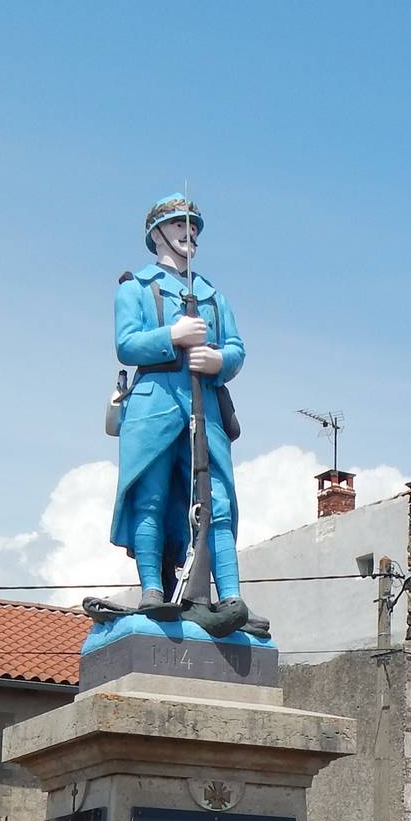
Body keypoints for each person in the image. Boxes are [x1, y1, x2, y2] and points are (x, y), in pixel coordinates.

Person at [107, 194, 264, 637]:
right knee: (150, 498)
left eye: (193, 225)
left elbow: (236, 348)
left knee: (217, 502)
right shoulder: (135, 288)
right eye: (178, 224)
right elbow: (126, 344)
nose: (188, 232)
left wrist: (218, 361)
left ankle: (230, 596)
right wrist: (172, 335)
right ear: (156, 233)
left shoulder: (213, 295)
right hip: (153, 403)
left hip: (205, 406)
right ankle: (152, 590)